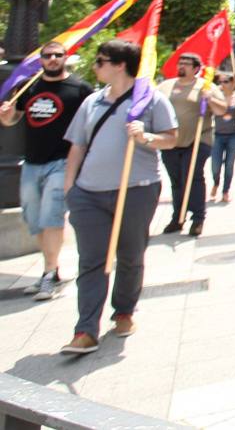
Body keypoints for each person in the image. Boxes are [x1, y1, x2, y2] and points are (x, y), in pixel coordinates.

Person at [60, 39, 178, 355]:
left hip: (136, 189)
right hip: (88, 194)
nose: (95, 66)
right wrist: (70, 187)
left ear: (119, 64)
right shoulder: (91, 102)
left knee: (130, 254)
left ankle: (124, 310)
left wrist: (147, 136)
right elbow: (78, 146)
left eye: (100, 61)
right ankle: (85, 329)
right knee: (92, 261)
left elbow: (171, 139)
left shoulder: (151, 101)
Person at [0, 41, 93, 301]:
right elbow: (12, 119)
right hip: (32, 163)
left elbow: (90, 123)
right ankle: (50, 270)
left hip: (61, 162)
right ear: (40, 60)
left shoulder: (79, 89)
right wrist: (6, 115)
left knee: (51, 216)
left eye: (57, 55)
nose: (52, 59)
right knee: (33, 219)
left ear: (66, 58)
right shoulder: (29, 87)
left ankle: (49, 274)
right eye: (47, 56)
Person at [156, 52, 227, 237]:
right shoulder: (165, 86)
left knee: (192, 176)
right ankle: (178, 217)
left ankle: (198, 218)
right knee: (177, 180)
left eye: (187, 64)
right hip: (171, 142)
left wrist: (210, 98)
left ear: (196, 69)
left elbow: (222, 110)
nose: (182, 66)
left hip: (197, 140)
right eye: (180, 63)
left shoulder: (205, 86)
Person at [209, 73, 235, 202]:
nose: (222, 84)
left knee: (229, 164)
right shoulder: (216, 96)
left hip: (234, 135)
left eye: (226, 81)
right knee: (215, 165)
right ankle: (216, 182)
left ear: (233, 83)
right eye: (221, 81)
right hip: (218, 134)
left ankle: (225, 191)